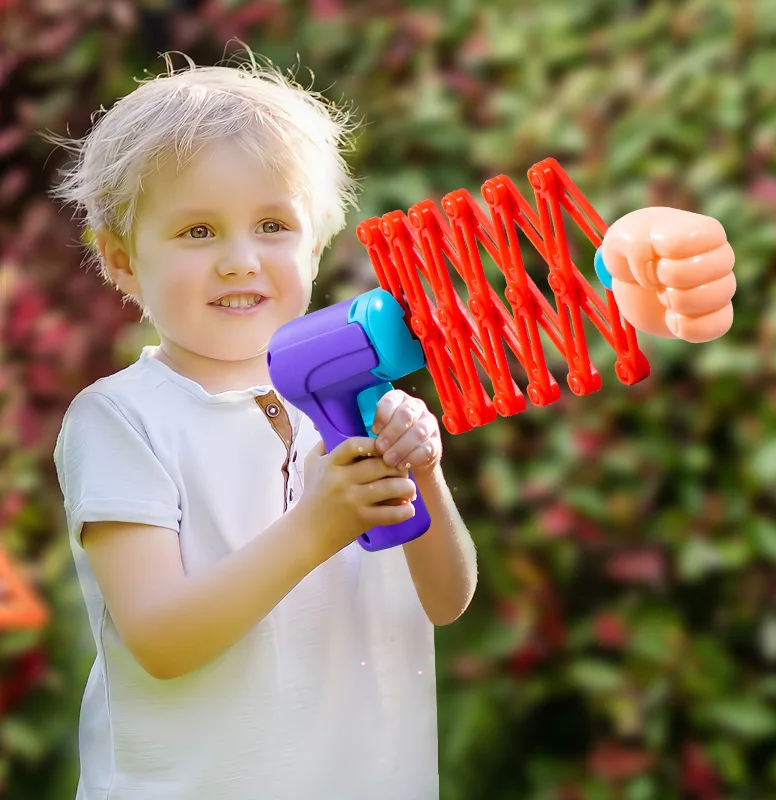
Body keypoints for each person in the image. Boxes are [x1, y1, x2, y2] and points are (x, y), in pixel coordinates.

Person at [50, 52, 477, 800]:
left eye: (273, 224)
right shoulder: (122, 420)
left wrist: (427, 475)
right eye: (197, 232)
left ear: (314, 246)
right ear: (121, 263)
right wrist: (314, 529)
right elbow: (161, 638)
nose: (239, 260)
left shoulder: (362, 404)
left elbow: (447, 600)